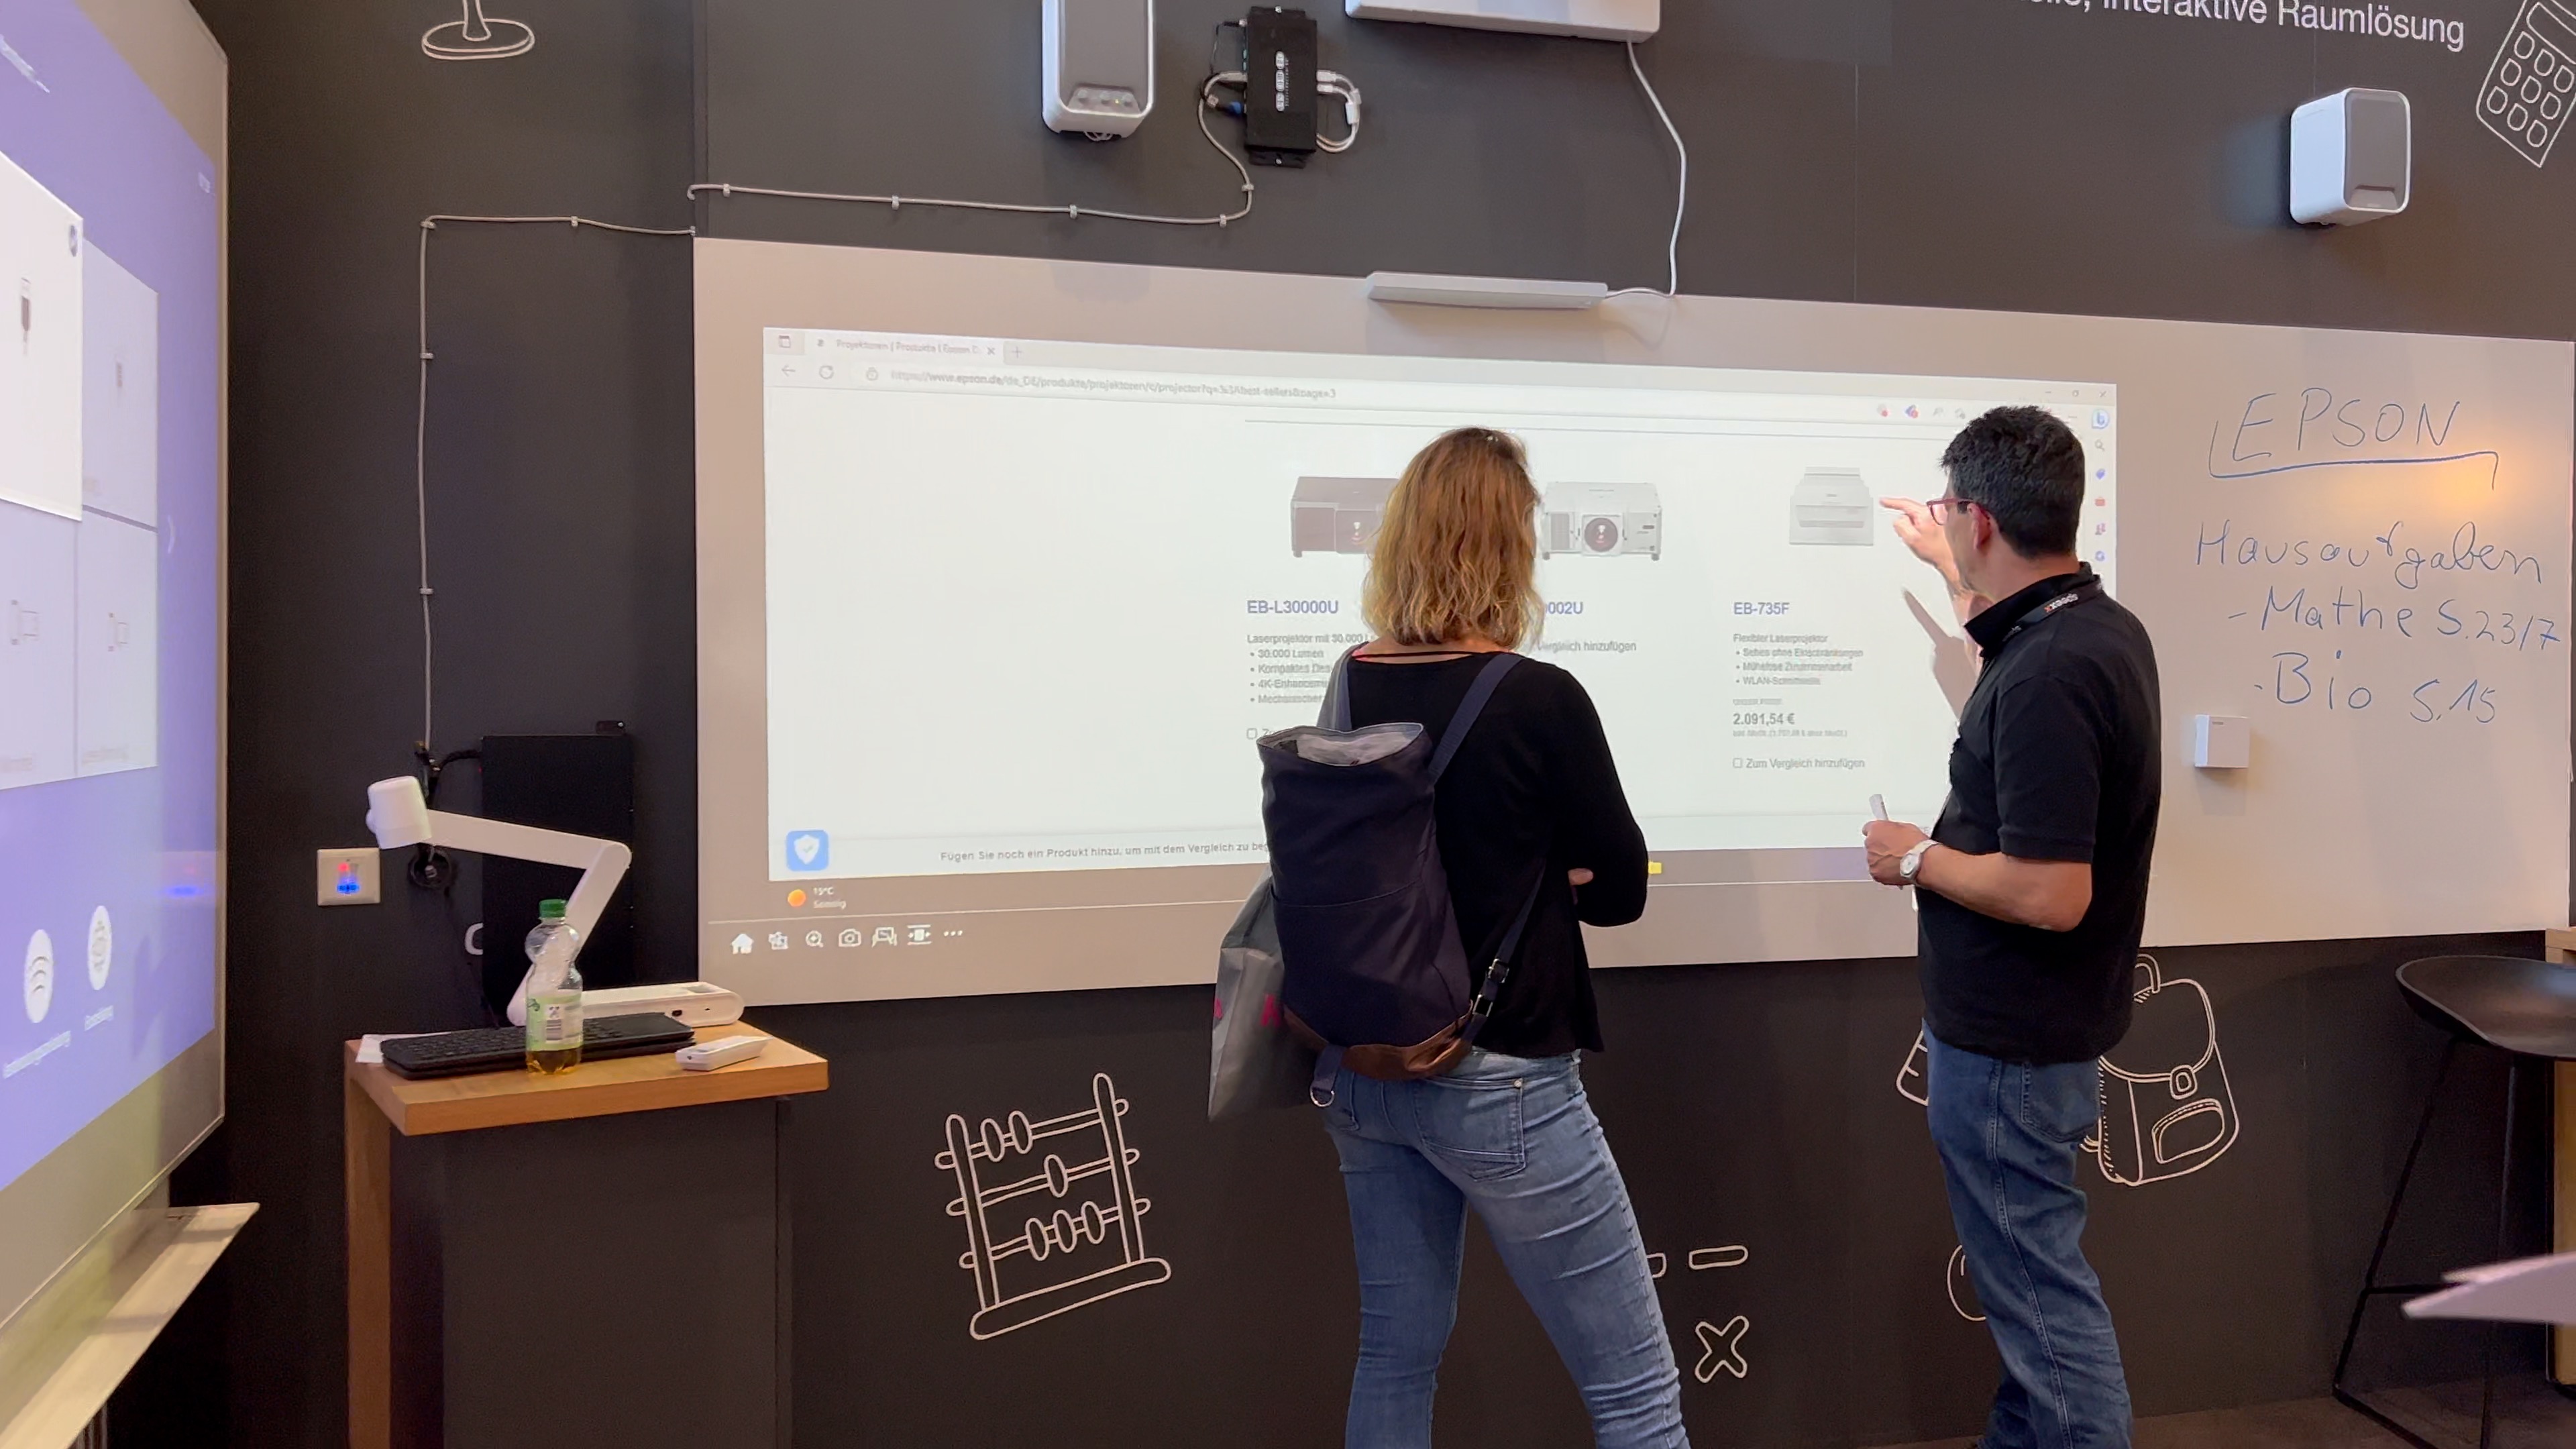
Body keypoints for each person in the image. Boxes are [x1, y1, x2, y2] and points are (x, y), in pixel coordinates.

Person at [1320, 427, 1686, 1448]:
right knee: (1636, 1395)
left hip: (1367, 1068)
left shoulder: (1351, 679)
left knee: (1395, 1355)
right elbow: (1620, 890)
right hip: (1500, 1073)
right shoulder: (1539, 696)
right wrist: (1542, 871)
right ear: (1510, 546)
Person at [1866, 407, 2161, 1449]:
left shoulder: (2049, 672)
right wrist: (1949, 569)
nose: (1944, 523)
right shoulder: (2090, 629)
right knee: (2028, 1294)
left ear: (1981, 520)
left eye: (1949, 512)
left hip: (2009, 1050)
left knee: (2043, 1306)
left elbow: (2051, 894)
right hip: (2034, 1037)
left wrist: (1915, 858)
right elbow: (2008, 649)